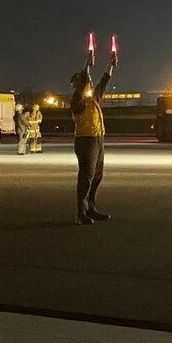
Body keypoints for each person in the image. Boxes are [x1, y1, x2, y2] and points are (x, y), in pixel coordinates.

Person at [70, 36, 118, 225]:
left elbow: (104, 81)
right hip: (85, 140)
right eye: (86, 82)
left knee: (97, 176)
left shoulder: (93, 99)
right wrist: (87, 63)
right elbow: (83, 81)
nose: (90, 84)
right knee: (86, 176)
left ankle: (91, 207)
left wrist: (110, 65)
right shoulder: (77, 102)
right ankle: (80, 212)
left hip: (98, 139)